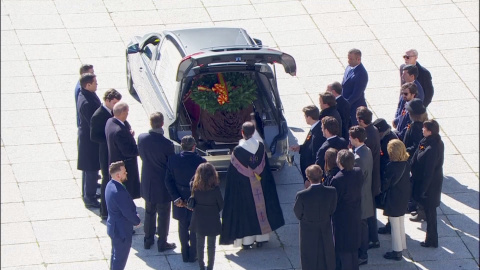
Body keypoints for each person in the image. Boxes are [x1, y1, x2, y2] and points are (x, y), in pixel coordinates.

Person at [220, 122, 285, 249]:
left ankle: (247, 242)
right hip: (260, 184)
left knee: (246, 213)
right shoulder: (260, 147)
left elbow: (232, 176)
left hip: (244, 188)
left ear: (242, 132)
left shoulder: (238, 151)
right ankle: (261, 238)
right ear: (254, 131)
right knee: (261, 210)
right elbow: (265, 169)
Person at [138, 112, 176, 252]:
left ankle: (148, 240)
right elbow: (170, 164)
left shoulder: (142, 138)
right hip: (162, 184)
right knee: (164, 214)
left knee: (149, 211)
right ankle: (162, 242)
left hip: (148, 181)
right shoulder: (167, 144)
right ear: (162, 124)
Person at [165, 135, 206, 262]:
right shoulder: (201, 161)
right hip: (195, 200)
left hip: (180, 198)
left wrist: (176, 198)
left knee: (182, 227)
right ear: (194, 147)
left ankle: (185, 254)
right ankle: (193, 254)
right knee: (194, 228)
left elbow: (168, 181)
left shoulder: (173, 160)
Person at [294, 164, 337, 270]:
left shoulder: (302, 195)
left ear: (308, 178)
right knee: (326, 254)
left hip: (308, 230)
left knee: (309, 257)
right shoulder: (331, 191)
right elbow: (332, 209)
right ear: (321, 176)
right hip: (325, 226)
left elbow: (298, 213)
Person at [410, 120, 444, 248]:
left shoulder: (433, 148)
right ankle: (431, 239)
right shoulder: (426, 141)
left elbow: (429, 172)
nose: (422, 130)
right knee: (429, 213)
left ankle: (431, 240)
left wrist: (423, 190)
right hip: (426, 184)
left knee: (431, 215)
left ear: (430, 131)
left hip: (430, 187)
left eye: (424, 129)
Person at [91, 88, 122, 219]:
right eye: (114, 102)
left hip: (113, 150)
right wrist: (109, 138)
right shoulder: (99, 115)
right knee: (106, 180)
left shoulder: (113, 112)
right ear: (107, 101)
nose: (117, 106)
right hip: (105, 152)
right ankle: (104, 210)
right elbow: (94, 136)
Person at [105, 161, 141, 270]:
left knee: (115, 257)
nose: (126, 173)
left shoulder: (110, 184)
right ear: (118, 175)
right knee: (120, 260)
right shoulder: (118, 191)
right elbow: (127, 212)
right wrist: (137, 221)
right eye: (124, 172)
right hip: (121, 231)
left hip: (114, 227)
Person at [331, 149, 363, 270]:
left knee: (343, 250)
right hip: (355, 214)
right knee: (353, 249)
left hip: (342, 218)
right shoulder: (358, 172)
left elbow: (334, 200)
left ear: (339, 162)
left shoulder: (337, 179)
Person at [189, 163, 224, 270]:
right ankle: (210, 267)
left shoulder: (194, 187)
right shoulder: (215, 189)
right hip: (212, 219)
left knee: (199, 245)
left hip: (198, 219)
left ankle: (201, 266)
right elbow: (221, 205)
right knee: (211, 246)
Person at [356, 106, 381, 249]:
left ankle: (373, 239)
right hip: (373, 174)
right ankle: (373, 237)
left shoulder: (368, 136)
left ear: (361, 120)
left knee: (369, 211)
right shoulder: (373, 130)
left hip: (370, 176)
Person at [382, 139, 411, 261]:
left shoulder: (391, 166)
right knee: (400, 222)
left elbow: (386, 184)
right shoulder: (406, 164)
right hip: (404, 197)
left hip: (394, 198)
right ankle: (403, 245)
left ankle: (397, 251)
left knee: (394, 224)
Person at [105, 101, 141, 199]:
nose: (127, 114)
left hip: (114, 159)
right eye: (127, 112)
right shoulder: (119, 131)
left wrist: (128, 135)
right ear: (123, 113)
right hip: (124, 167)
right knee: (126, 193)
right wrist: (142, 149)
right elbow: (128, 151)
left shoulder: (110, 122)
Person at [349, 126, 374, 266]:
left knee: (361, 227)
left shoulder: (358, 158)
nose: (349, 140)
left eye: (351, 138)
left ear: (356, 139)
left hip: (360, 197)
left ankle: (362, 254)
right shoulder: (366, 150)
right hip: (366, 194)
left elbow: (357, 179)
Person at [77, 73, 101, 208]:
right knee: (91, 169)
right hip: (89, 141)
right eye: (95, 83)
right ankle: (89, 197)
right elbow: (94, 122)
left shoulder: (85, 94)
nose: (97, 84)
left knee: (87, 169)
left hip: (86, 139)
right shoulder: (87, 102)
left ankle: (87, 193)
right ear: (88, 85)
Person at [372, 118, 399, 235]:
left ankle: (390, 226)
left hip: (388, 176)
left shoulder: (389, 140)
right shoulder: (386, 137)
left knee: (388, 203)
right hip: (385, 173)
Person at [290, 105, 324, 184]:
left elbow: (315, 156)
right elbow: (309, 146)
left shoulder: (318, 133)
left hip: (311, 177)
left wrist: (310, 179)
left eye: (305, 116)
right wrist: (300, 148)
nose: (305, 118)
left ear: (309, 117)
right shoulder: (314, 128)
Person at [341, 48, 368, 126]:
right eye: (348, 58)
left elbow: (356, 94)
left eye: (351, 59)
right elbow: (344, 83)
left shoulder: (361, 74)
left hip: (354, 108)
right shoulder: (349, 67)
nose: (348, 61)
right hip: (347, 106)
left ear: (358, 59)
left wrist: (345, 104)